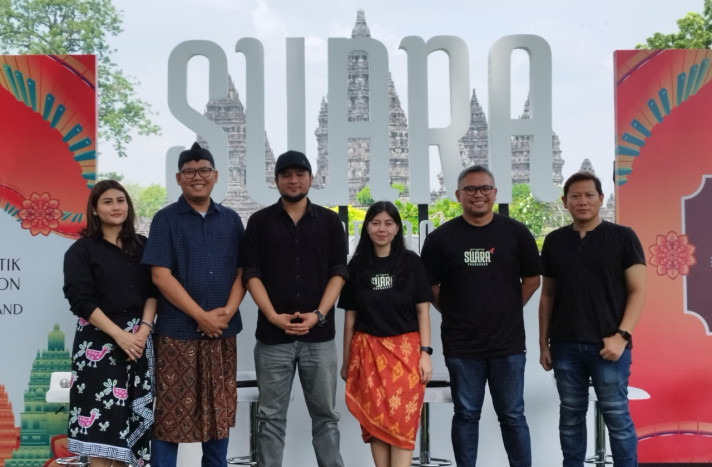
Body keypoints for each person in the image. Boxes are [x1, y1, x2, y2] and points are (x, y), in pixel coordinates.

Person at [420, 165, 541, 467]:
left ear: (495, 193)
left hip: (508, 345)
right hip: (462, 346)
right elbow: (429, 287)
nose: (478, 195)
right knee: (466, 415)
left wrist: (508, 309)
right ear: (458, 195)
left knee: (512, 415)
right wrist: (456, 312)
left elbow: (532, 279)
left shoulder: (516, 232)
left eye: (485, 188)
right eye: (470, 189)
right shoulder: (440, 239)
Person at [141, 142, 246, 467]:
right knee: (169, 419)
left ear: (215, 176)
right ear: (178, 178)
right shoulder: (165, 219)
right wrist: (201, 316)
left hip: (222, 333)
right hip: (176, 334)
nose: (197, 177)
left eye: (203, 170)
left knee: (219, 414)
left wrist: (226, 312)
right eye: (189, 171)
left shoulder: (230, 220)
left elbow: (244, 271)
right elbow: (160, 276)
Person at [242, 149, 348, 467]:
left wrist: (319, 314)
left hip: (320, 338)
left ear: (310, 179)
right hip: (273, 339)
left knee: (326, 417)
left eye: (300, 174)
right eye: (286, 175)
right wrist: (273, 315)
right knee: (270, 417)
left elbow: (339, 272)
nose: (293, 180)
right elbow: (251, 273)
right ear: (276, 180)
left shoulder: (330, 222)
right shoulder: (259, 223)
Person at [538, 171, 646, 467]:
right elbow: (547, 295)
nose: (582, 201)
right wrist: (543, 344)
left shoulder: (623, 237)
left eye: (588, 195)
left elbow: (638, 291)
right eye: (575, 196)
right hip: (565, 346)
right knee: (570, 417)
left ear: (600, 199)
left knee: (617, 417)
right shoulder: (555, 241)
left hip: (609, 346)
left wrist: (621, 336)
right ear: (565, 202)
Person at [63, 179, 157, 467]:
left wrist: (142, 331)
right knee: (101, 430)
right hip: (99, 345)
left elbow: (155, 291)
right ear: (94, 209)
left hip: (139, 343)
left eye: (120, 200)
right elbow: (81, 301)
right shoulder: (82, 250)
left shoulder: (143, 246)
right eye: (107, 201)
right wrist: (121, 336)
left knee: (131, 424)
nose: (116, 207)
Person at [338, 201, 433, 467]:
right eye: (376, 223)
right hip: (367, 354)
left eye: (388, 223)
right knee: (375, 419)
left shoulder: (411, 263)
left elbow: (423, 312)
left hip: (406, 355)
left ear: (397, 228)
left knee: (403, 423)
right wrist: (347, 361)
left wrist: (425, 354)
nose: (382, 229)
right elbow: (350, 318)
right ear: (367, 227)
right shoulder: (357, 266)